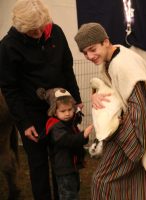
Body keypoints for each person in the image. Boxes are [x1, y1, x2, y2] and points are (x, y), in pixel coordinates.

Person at [74, 22, 146, 200]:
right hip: (134, 132)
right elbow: (116, 89)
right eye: (84, 52)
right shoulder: (114, 56)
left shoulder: (122, 65)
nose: (89, 56)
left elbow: (141, 109)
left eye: (92, 49)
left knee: (102, 181)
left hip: (136, 135)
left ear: (105, 41)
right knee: (137, 185)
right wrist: (96, 93)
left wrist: (124, 141)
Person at [0, 0, 83, 199]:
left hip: (60, 109)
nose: (38, 33)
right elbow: (9, 89)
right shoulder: (8, 46)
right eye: (32, 31)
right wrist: (24, 123)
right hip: (31, 113)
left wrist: (77, 100)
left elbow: (66, 69)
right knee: (38, 165)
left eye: (40, 28)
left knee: (62, 160)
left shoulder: (56, 32)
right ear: (21, 28)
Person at [36, 87, 93, 200]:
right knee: (68, 195)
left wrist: (84, 137)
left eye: (69, 110)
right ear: (54, 111)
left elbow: (77, 139)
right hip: (64, 169)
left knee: (74, 190)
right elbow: (67, 140)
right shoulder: (56, 126)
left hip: (72, 167)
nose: (67, 113)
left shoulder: (69, 123)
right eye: (63, 111)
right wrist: (83, 135)